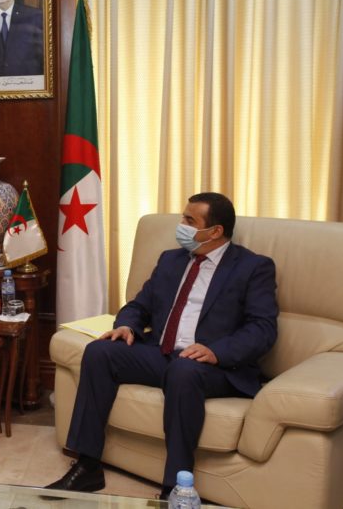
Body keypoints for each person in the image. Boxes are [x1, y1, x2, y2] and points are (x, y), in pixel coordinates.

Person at [45, 192, 278, 499]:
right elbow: (138, 305)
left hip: (213, 366)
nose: (180, 225)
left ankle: (175, 489)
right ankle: (87, 467)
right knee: (101, 352)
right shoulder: (171, 260)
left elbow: (262, 329)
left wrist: (216, 351)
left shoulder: (252, 267)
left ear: (215, 231)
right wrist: (126, 325)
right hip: (162, 353)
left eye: (189, 220)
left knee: (184, 370)